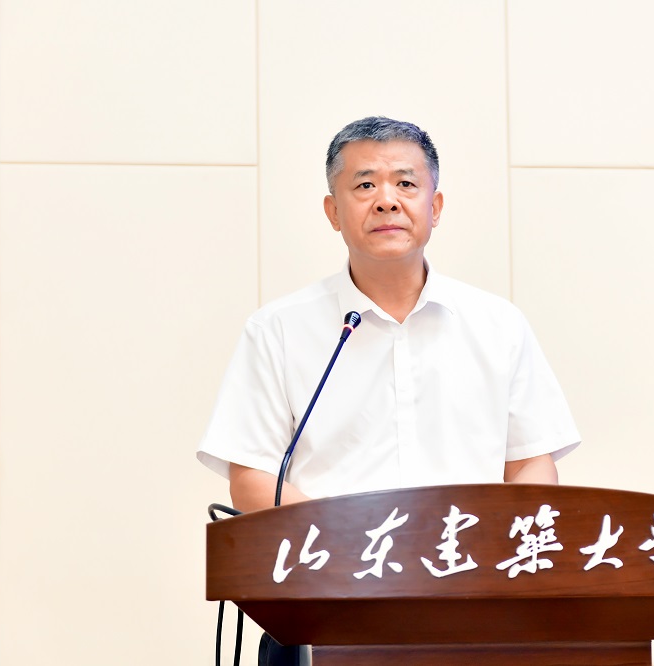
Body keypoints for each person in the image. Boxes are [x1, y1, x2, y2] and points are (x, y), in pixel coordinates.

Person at [197, 116, 580, 512]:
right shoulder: (278, 329)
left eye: (406, 184)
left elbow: (531, 463)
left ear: (435, 207)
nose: (386, 201)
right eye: (365, 185)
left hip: (469, 547)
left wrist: (494, 537)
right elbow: (252, 478)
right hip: (330, 550)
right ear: (333, 212)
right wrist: (344, 540)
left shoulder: (499, 325)